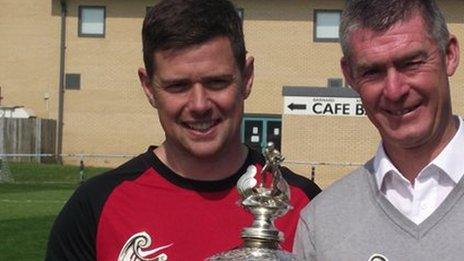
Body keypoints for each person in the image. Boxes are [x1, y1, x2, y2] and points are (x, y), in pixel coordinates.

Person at [45, 0, 321, 260]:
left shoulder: (306, 205)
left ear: (247, 78)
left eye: (217, 82)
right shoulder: (94, 208)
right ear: (148, 87)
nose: (199, 105)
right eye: (178, 86)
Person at [294, 0, 462, 260]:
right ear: (349, 76)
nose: (395, 90)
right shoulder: (322, 223)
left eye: (411, 63)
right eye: (372, 72)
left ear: (449, 55)